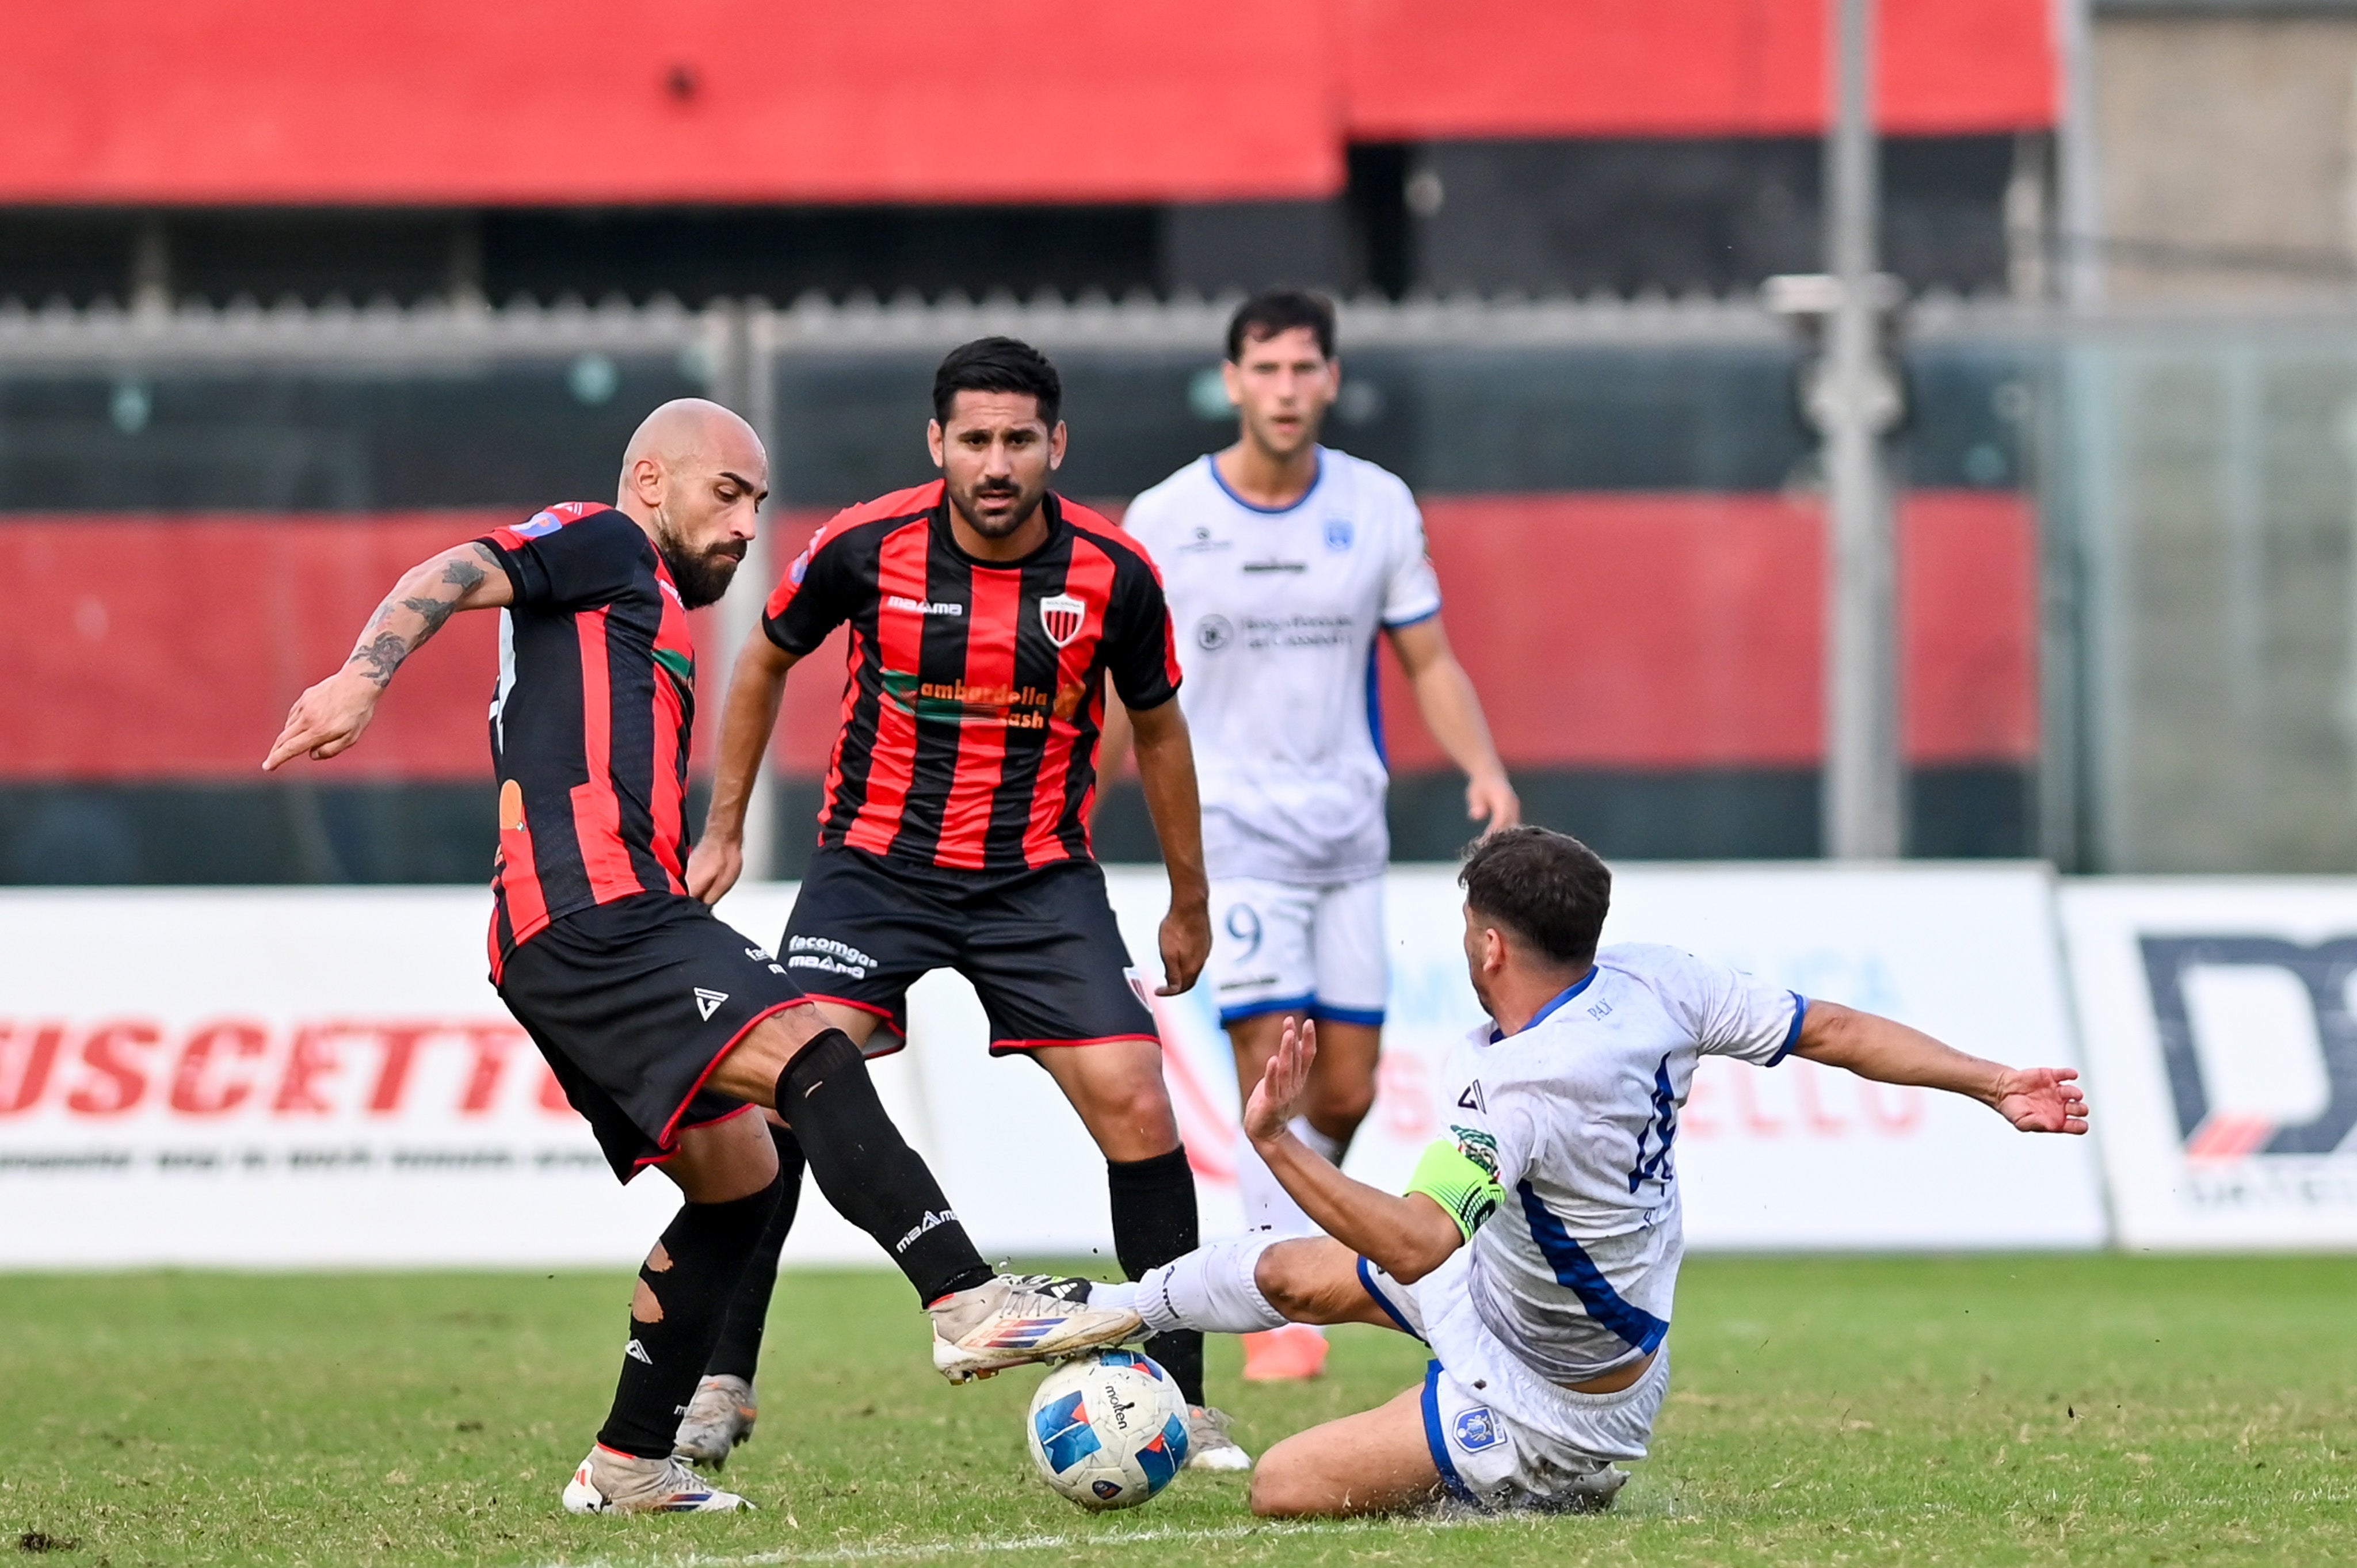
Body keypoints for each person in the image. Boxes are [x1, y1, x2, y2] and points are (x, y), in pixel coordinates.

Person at [262, 398, 1141, 1516]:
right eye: (725, 493)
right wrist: (363, 673)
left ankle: (628, 1462)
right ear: (648, 482)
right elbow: (462, 563)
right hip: (595, 914)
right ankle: (965, 1297)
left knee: (741, 1182)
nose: (744, 522)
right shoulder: (607, 538)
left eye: (758, 503)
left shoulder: (643, 604)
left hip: (583, 923)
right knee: (813, 1052)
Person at [1085, 826, 2092, 1516]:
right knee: (1284, 1272)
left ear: (1488, 943)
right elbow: (1829, 1026)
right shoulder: (1658, 978)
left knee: (1285, 1486)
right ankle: (1096, 1310)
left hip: (1552, 1397)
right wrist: (1992, 1080)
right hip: (1523, 1303)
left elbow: (1417, 1237)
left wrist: (1274, 1142)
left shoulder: (1522, 1082)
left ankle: (1539, 1480)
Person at [681, 339, 1250, 1471]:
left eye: (1019, 440)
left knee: (1138, 1101)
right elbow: (759, 661)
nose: (997, 463)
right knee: (787, 1091)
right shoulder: (862, 545)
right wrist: (724, 824)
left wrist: (1189, 898)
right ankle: (718, 1380)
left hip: (1036, 881)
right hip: (871, 870)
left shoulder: (1113, 574)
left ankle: (1179, 1400)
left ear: (1056, 445)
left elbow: (1161, 729)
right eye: (975, 440)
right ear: (936, 443)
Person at [1108, 288, 1519, 1384]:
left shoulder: (1377, 504)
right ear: (1232, 381)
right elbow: (1125, 693)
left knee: (1346, 1089)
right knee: (1270, 1064)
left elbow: (1427, 658)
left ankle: (1282, 1240)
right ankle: (1276, 1300)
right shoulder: (1167, 516)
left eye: (1305, 369)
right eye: (1266, 369)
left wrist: (1482, 765)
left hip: (1349, 836)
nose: (1286, 389)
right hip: (1233, 833)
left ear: (1331, 380)